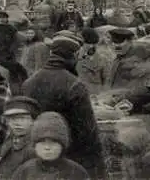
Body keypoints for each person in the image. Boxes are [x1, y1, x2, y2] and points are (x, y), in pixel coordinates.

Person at [21, 31, 107, 179]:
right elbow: (88, 135)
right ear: (74, 54)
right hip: (69, 162)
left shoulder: (29, 83)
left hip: (36, 157)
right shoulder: (75, 85)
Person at [11, 112, 90, 180]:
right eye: (42, 142)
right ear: (34, 145)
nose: (47, 147)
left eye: (53, 142)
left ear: (62, 145)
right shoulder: (24, 171)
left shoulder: (77, 172)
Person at [0, 96, 41, 179]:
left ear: (33, 120)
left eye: (22, 118)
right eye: (11, 119)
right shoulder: (9, 142)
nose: (17, 123)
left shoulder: (36, 148)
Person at [0, 10, 29, 95]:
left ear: (7, 18)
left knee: (16, 70)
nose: (2, 19)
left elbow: (16, 41)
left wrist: (11, 49)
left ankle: (17, 88)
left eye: (4, 17)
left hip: (9, 54)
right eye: (0, 17)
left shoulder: (11, 28)